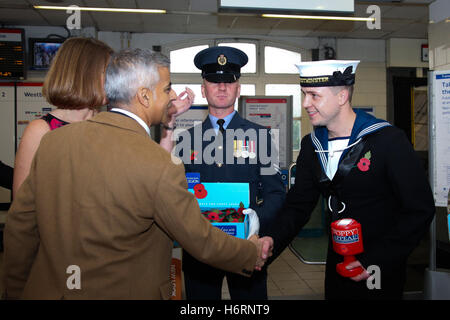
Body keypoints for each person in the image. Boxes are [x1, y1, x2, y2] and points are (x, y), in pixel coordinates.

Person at [2, 48, 273, 300]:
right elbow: (199, 239)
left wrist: (15, 292)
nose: (171, 96)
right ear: (145, 96)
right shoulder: (158, 163)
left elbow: (20, 229)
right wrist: (251, 252)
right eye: (166, 89)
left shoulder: (53, 142)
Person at [267, 60, 435, 299]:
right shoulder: (312, 146)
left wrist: (376, 259)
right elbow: (298, 206)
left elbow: (419, 210)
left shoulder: (387, 141)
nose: (305, 104)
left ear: (342, 96)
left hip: (378, 266)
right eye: (304, 95)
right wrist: (271, 241)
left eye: (314, 96)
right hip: (337, 263)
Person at [12, 37, 193, 198]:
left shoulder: (112, 122)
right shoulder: (41, 130)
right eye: (108, 73)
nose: (115, 80)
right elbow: (23, 203)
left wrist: (170, 121)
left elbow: (154, 170)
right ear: (84, 76)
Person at [175, 46, 286, 300]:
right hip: (200, 245)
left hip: (247, 243)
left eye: (229, 80)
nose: (222, 86)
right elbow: (175, 194)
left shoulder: (261, 137)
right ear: (204, 88)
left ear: (238, 88)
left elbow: (276, 193)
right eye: (214, 80)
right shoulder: (185, 141)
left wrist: (257, 225)